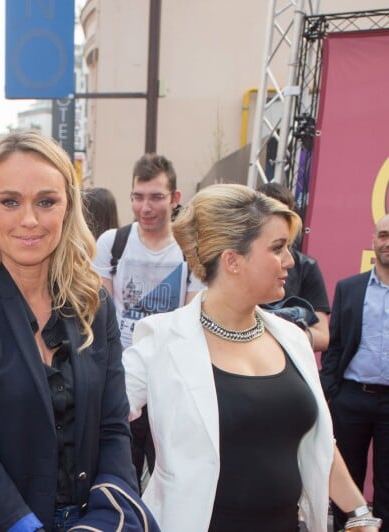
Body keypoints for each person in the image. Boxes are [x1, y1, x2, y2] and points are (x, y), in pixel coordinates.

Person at [123, 183, 383, 532]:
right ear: (232, 260)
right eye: (277, 248)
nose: (290, 260)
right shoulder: (161, 340)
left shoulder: (292, 337)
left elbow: (318, 444)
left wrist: (358, 513)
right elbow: (98, 417)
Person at [0, 132, 138, 531]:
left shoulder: (94, 303)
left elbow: (113, 427)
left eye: (46, 201)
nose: (29, 219)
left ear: (67, 207)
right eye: (10, 201)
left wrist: (109, 515)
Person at [92, 152, 203, 490]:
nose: (146, 207)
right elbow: (101, 312)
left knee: (168, 479)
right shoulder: (112, 243)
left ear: (175, 198)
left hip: (169, 380)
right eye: (138, 197)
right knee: (119, 476)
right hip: (120, 376)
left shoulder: (189, 249)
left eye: (156, 197)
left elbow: (191, 316)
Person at [321, 213, 389, 531]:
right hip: (351, 398)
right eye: (383, 235)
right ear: (374, 241)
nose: (388, 242)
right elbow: (333, 347)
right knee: (347, 482)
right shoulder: (350, 288)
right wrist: (331, 393)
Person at [257, 182, 331, 351]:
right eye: (269, 213)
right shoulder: (237, 259)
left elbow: (322, 336)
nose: (286, 263)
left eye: (284, 215)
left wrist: (280, 333)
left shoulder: (306, 266)